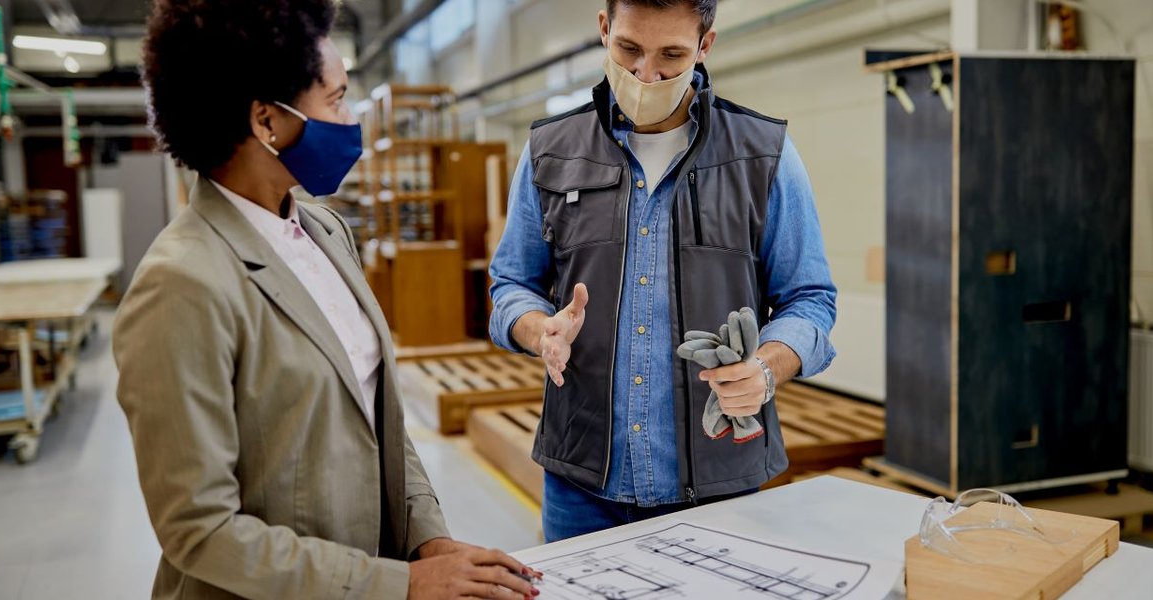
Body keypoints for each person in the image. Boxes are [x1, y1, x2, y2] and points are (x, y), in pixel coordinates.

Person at [115, 1, 539, 598]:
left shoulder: (324, 232)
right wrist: (397, 584)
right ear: (267, 121)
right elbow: (199, 530)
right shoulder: (182, 284)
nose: (350, 119)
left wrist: (429, 539)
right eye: (336, 100)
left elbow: (379, 417)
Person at [489, 0, 838, 542]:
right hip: (581, 487)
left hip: (720, 486)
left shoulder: (763, 155)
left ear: (705, 46)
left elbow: (810, 298)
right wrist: (540, 330)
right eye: (629, 49)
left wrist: (766, 369)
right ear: (604, 29)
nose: (646, 75)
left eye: (672, 55)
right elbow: (511, 284)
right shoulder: (549, 152)